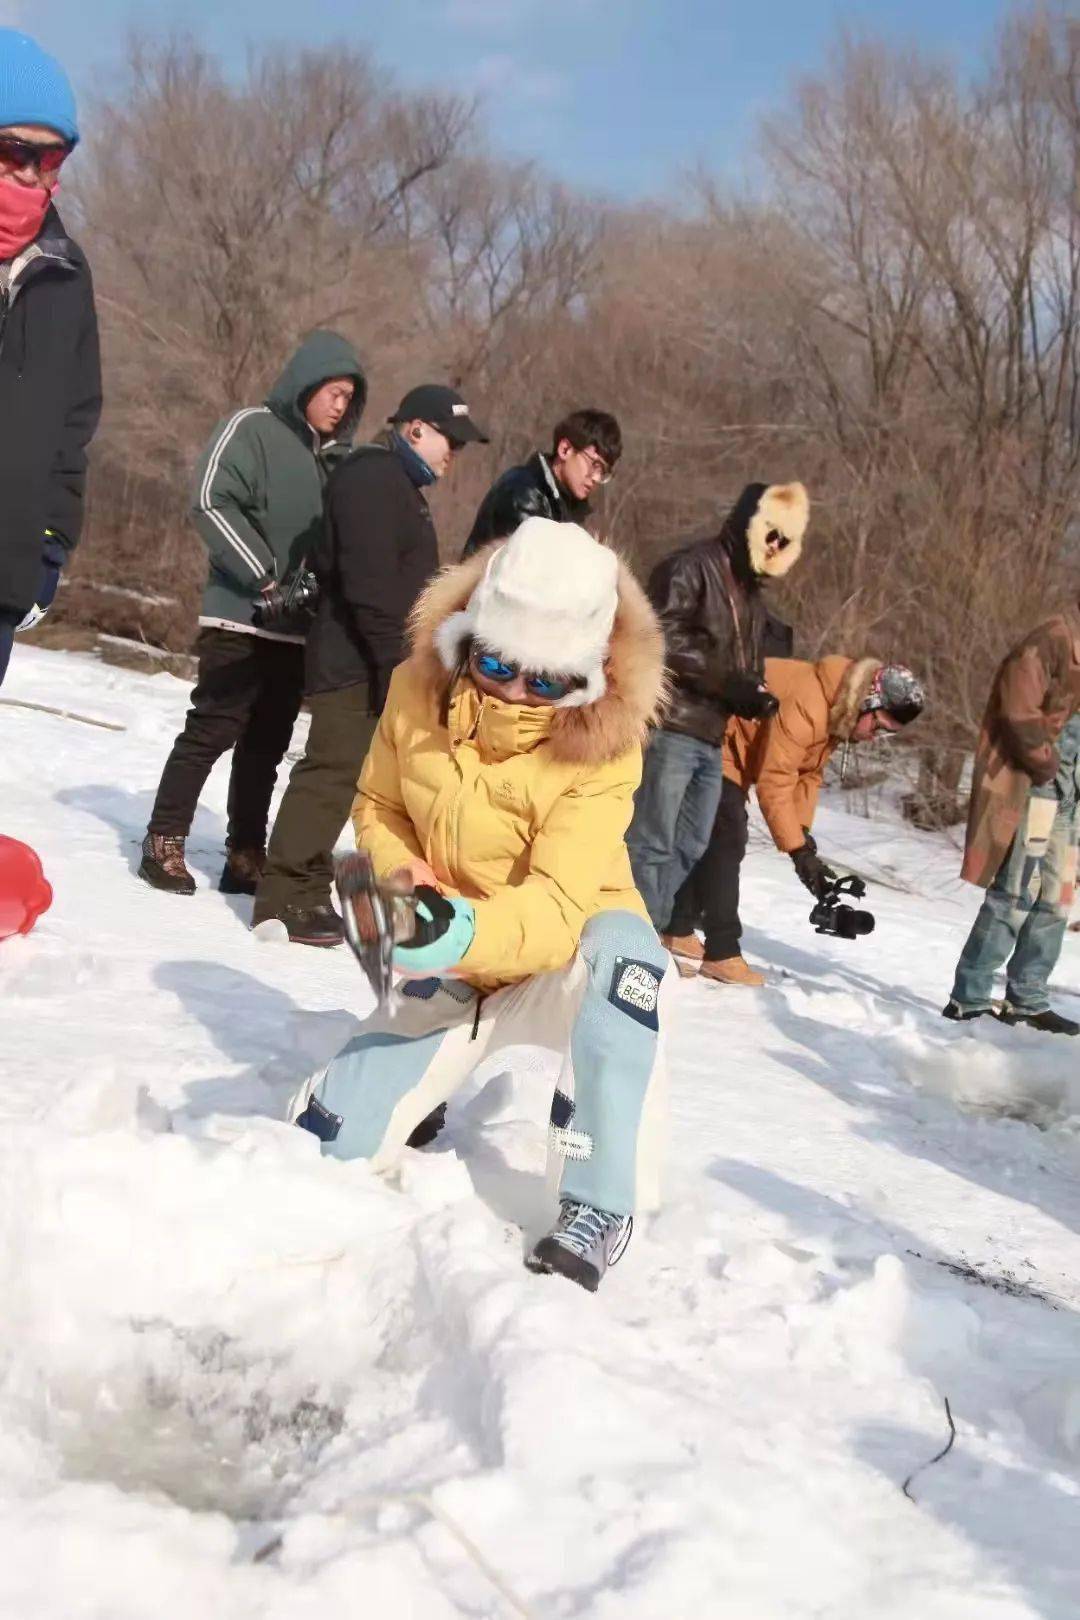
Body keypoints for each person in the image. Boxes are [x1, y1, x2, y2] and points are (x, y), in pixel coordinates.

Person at [289, 517, 671, 1293]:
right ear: (469, 637)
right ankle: (416, 1088)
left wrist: (459, 930)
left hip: (568, 950)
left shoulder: (608, 748)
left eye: (546, 678)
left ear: (589, 673)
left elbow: (561, 906)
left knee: (628, 973)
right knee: (322, 1147)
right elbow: (376, 806)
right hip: (457, 945)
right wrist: (407, 882)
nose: (514, 689)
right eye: (495, 663)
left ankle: (600, 1201)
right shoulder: (415, 685)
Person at [252, 384, 488, 946]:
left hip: (375, 661)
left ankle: (307, 882)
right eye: (447, 441)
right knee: (331, 773)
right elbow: (370, 588)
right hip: (354, 662)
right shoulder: (372, 477)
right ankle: (284, 894)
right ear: (414, 429)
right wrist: (395, 671)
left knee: (354, 780)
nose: (452, 454)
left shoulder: (399, 486)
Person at [139, 332, 365, 896]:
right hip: (240, 615)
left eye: (349, 397)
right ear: (306, 383)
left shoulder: (334, 463)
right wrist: (263, 575)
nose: (341, 405)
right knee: (214, 727)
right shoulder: (252, 428)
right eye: (334, 391)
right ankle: (163, 839)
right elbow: (211, 499)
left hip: (295, 632)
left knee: (266, 744)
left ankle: (244, 853)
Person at [626, 481, 809, 945]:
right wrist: (729, 681)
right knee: (652, 843)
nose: (774, 547)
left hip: (711, 734)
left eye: (783, 541)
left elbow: (740, 663)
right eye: (771, 534)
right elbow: (661, 638)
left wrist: (752, 691)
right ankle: (630, 939)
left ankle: (649, 931)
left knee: (689, 846)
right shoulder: (690, 568)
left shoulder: (751, 594)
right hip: (671, 726)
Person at [665, 658, 925, 981]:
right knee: (728, 838)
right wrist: (797, 850)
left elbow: (808, 774)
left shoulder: (838, 708)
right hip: (717, 735)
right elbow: (775, 780)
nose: (876, 737)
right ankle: (722, 951)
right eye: (879, 727)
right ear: (867, 703)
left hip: (739, 753)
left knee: (718, 838)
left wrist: (802, 835)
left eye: (886, 735)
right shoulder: (811, 704)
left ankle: (676, 926)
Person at [0, 29, 101, 687]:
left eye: (52, 158)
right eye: (15, 152)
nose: (36, 175)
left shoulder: (65, 272)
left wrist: (49, 544)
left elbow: (75, 421)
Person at [944, 606, 1080, 1035]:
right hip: (1037, 784)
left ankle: (1028, 998)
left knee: (1057, 898)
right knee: (1015, 894)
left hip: (1071, 792)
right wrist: (1045, 765)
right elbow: (1018, 710)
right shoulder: (1052, 639)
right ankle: (969, 998)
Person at [461, 408, 621, 558]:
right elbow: (528, 572)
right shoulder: (522, 493)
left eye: (603, 472)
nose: (596, 478)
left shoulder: (566, 506)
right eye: (595, 465)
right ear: (565, 449)